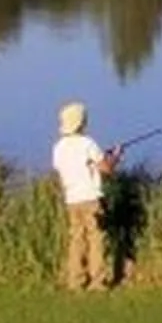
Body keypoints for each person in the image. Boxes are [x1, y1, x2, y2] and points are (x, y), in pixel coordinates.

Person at [50, 101, 116, 291]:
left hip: (71, 199)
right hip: (90, 198)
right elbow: (107, 168)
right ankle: (97, 281)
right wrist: (115, 156)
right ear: (81, 123)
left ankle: (75, 280)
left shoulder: (58, 147)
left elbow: (63, 169)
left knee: (76, 239)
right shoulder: (88, 143)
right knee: (95, 239)